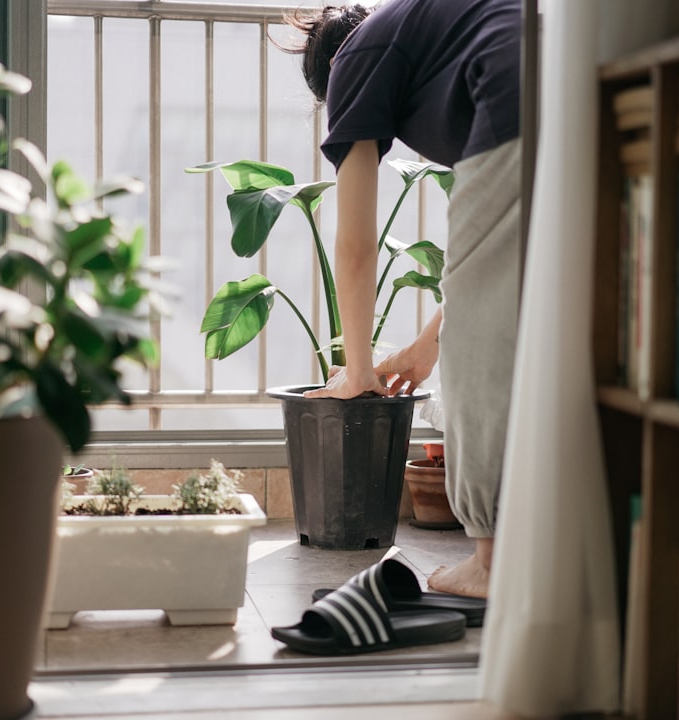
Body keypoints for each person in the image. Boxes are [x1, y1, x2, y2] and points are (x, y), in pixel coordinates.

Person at [285, 0, 522, 600]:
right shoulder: (424, 29)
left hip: (517, 100)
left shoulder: (354, 59)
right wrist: (424, 347)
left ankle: (494, 564)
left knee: (481, 353)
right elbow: (486, 270)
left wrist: (358, 371)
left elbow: (357, 245)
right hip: (578, 76)